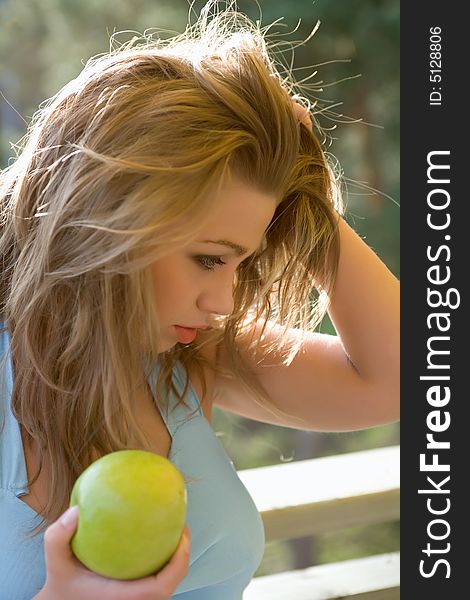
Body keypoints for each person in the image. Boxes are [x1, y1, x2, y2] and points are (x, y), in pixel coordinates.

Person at [0, 2, 399, 599]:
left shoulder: (186, 354)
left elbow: (404, 378)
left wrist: (307, 193)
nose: (224, 300)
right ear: (106, 221)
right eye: (209, 259)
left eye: (242, 260)